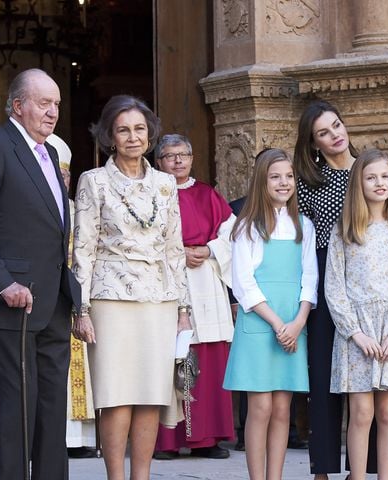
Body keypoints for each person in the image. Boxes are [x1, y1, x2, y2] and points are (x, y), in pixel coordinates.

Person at [0, 68, 80, 480]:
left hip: (53, 304)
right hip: (10, 304)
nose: (52, 112)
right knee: (13, 416)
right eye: (44, 103)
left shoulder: (47, 153)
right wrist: (2, 283)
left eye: (57, 104)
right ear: (17, 105)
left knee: (50, 414)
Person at [71, 95, 192, 480]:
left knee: (151, 396)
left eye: (140, 129)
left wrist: (184, 309)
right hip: (110, 299)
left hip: (160, 299)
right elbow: (83, 249)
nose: (133, 137)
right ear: (109, 136)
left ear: (150, 133)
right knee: (116, 396)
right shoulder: (93, 181)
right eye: (123, 130)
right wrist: (81, 309)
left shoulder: (164, 183)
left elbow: (175, 248)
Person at [325, 149, 388, 480]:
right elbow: (334, 288)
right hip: (358, 333)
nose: (379, 183)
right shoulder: (346, 231)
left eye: (385, 176)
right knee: (362, 412)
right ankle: (359, 477)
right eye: (371, 177)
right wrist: (355, 333)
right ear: (358, 184)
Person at [223, 148, 317, 480]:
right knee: (260, 408)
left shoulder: (303, 225)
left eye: (289, 176)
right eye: (275, 176)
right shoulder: (248, 225)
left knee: (282, 409)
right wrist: (278, 324)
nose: (283, 182)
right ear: (262, 181)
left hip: (293, 324)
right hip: (261, 324)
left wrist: (299, 321)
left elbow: (310, 278)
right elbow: (243, 282)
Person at [293, 99, 375, 478]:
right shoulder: (309, 182)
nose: (335, 135)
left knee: (367, 377)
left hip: (370, 278)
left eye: (337, 125)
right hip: (326, 275)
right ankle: (323, 469)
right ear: (314, 144)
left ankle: (368, 467)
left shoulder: (371, 171)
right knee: (324, 377)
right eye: (324, 132)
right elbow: (304, 242)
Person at [152, 134, 235, 460]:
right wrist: (177, 252)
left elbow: (232, 233)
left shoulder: (207, 194)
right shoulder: (151, 193)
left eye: (183, 154)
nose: (177, 161)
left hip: (205, 282)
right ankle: (169, 440)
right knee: (170, 359)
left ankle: (208, 438)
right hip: (167, 284)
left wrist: (208, 249)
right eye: (170, 155)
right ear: (159, 161)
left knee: (209, 360)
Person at [46, 133, 98, 459]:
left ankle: (81, 438)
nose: (62, 178)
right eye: (56, 172)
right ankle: (53, 439)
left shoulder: (80, 210)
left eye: (66, 173)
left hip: (79, 296)